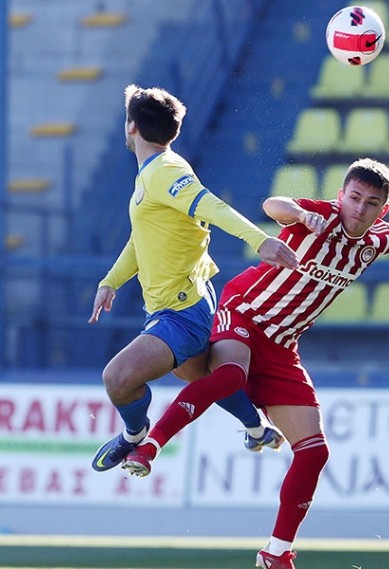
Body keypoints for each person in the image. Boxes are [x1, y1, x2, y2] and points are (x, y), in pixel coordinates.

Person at [120, 158, 389, 568]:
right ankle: (150, 446)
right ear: (341, 195)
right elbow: (272, 205)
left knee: (314, 451)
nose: (359, 209)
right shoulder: (319, 216)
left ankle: (275, 552)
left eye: (371, 203)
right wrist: (300, 214)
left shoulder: (378, 239)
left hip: (282, 345)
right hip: (244, 312)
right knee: (229, 374)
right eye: (354, 198)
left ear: (382, 210)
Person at [88, 84, 299, 474]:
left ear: (131, 126)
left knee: (118, 378)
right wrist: (111, 281)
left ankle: (134, 435)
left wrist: (260, 240)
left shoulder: (165, 172)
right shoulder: (156, 173)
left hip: (182, 310)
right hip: (180, 303)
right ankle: (255, 427)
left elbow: (211, 205)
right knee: (200, 374)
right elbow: (143, 239)